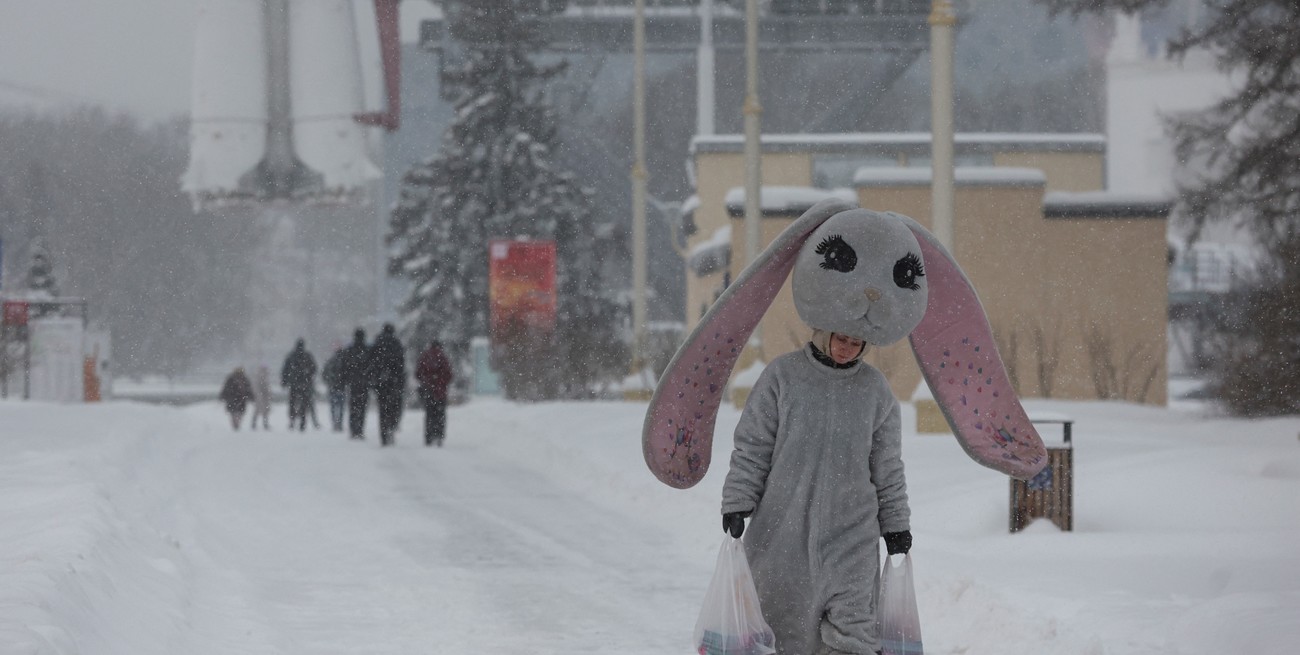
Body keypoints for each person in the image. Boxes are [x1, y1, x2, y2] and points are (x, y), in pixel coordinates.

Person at [722, 329, 912, 655]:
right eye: (841, 338)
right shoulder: (783, 376)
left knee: (854, 637)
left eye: (856, 343)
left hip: (852, 538)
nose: (846, 349)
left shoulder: (874, 390)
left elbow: (888, 466)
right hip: (781, 534)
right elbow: (753, 446)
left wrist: (896, 523)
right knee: (779, 633)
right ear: (824, 330)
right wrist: (738, 500)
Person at [369, 323, 406, 447]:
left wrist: (374, 378)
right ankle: (391, 426)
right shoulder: (396, 343)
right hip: (394, 381)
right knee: (393, 406)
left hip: (381, 382)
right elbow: (401, 363)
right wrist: (399, 379)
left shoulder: (377, 343)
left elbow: (371, 362)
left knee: (382, 408)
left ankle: (383, 433)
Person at [414, 340, 453, 447]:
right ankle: (439, 435)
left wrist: (427, 381)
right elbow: (449, 375)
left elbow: (418, 373)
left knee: (429, 414)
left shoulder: (425, 356)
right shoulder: (443, 357)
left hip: (428, 391)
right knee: (440, 414)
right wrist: (441, 383)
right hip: (440, 392)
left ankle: (429, 436)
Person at [339, 328, 371, 440]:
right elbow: (372, 367)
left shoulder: (349, 350)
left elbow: (343, 367)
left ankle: (353, 429)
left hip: (353, 384)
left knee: (353, 407)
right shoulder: (368, 350)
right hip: (364, 383)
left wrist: (343, 381)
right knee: (362, 407)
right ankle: (360, 429)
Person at [280, 338, 318, 431]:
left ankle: (292, 420)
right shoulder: (307, 356)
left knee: (292, 402)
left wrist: (284, 381)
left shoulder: (291, 356)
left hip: (294, 384)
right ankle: (303, 421)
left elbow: (285, 369)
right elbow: (314, 368)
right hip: (305, 384)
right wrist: (309, 376)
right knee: (304, 403)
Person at [321, 345, 347, 432]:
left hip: (332, 387)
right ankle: (339, 423)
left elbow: (324, 374)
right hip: (342, 387)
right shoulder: (345, 362)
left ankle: (334, 422)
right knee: (341, 406)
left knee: (333, 406)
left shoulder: (330, 361)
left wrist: (328, 382)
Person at [250, 365, 272, 431]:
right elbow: (256, 388)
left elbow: (268, 388)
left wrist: (269, 394)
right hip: (260, 397)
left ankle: (264, 424)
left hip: (264, 398)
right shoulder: (259, 377)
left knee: (264, 411)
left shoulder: (265, 378)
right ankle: (254, 424)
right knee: (258, 410)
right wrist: (259, 395)